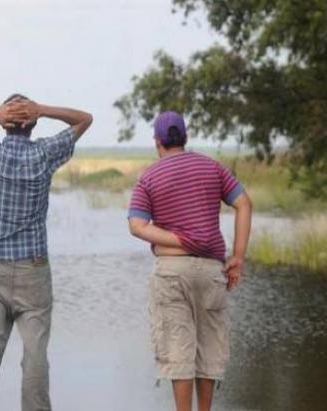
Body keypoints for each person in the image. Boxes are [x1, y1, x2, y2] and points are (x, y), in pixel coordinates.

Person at [0, 94, 92, 411]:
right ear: (33, 124)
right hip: (33, 270)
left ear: (5, 123)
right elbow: (84, 119)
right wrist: (44, 110)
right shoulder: (44, 154)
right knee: (35, 354)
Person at [127, 111, 252, 411]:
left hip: (171, 272)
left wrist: (177, 240)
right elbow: (244, 203)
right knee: (209, 348)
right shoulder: (212, 167)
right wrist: (237, 257)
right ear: (185, 138)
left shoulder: (149, 176)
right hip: (211, 270)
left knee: (178, 350)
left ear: (157, 142)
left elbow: (136, 225)